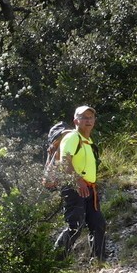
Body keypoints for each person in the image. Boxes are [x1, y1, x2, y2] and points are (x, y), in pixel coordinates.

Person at [54, 105, 107, 261]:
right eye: (84, 117)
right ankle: (56, 260)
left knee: (98, 224)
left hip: (89, 189)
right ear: (75, 120)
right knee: (75, 225)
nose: (88, 120)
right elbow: (64, 160)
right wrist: (78, 181)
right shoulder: (72, 137)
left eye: (90, 117)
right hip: (74, 187)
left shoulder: (88, 141)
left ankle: (98, 262)